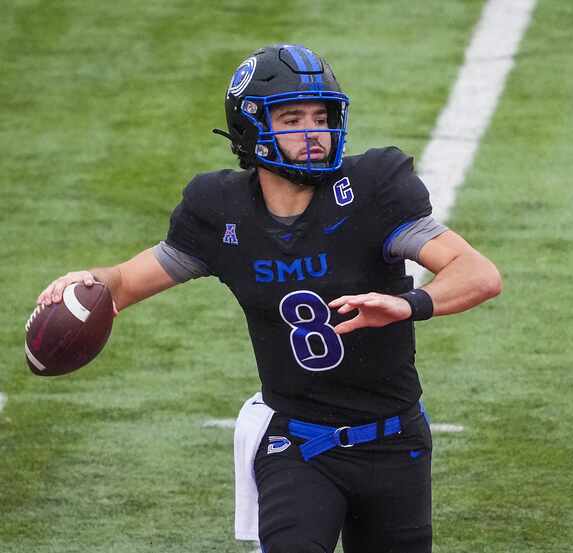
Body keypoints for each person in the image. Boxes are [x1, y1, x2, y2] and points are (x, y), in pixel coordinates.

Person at [37, 44, 501, 553]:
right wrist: (89, 281)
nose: (313, 132)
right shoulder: (220, 211)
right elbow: (123, 284)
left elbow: (478, 273)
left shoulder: (373, 189)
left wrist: (410, 304)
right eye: (292, 117)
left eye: (321, 116)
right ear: (251, 128)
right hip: (295, 442)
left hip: (395, 440)